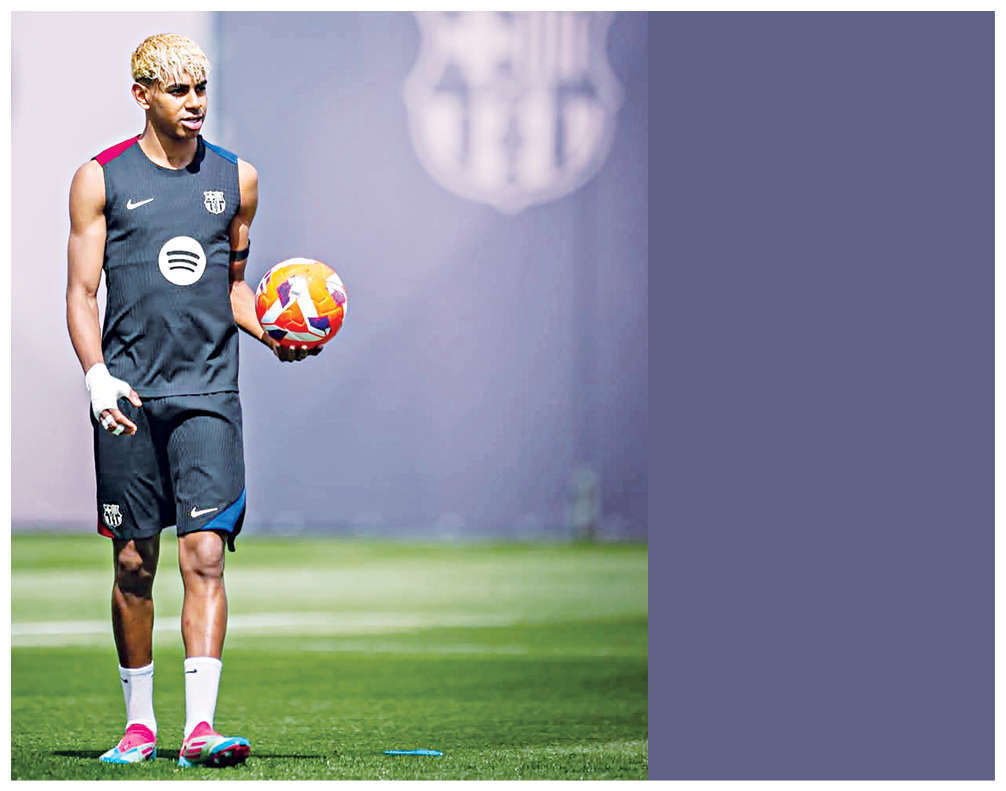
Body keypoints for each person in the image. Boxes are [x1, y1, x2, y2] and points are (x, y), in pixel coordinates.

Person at [65, 33, 317, 768]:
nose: (195, 102)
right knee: (133, 564)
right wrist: (96, 376)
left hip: (208, 394)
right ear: (142, 95)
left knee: (204, 556)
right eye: (178, 90)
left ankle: (199, 729)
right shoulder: (99, 179)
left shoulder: (238, 180)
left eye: (201, 88)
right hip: (128, 399)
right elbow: (80, 294)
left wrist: (270, 333)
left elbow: (234, 287)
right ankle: (139, 725)